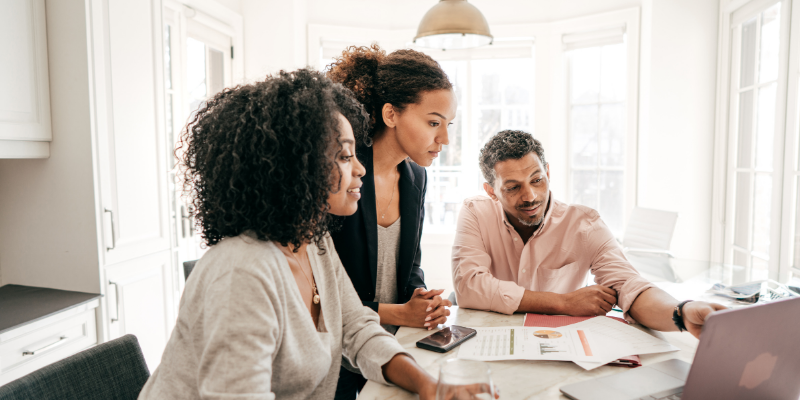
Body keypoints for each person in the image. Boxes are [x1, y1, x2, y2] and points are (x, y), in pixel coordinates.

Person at [137, 69, 441, 399]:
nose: (360, 168)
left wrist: (431, 386)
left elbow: (356, 327)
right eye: (343, 156)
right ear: (296, 167)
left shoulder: (314, 242)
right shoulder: (243, 271)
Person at [451, 130, 726, 338]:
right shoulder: (475, 212)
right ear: (491, 191)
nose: (530, 196)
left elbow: (629, 286)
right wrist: (562, 302)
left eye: (537, 180)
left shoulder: (584, 224)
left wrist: (682, 312)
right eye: (513, 187)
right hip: (490, 338)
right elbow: (469, 287)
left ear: (547, 172)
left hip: (557, 342)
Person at [326, 45, 456, 398]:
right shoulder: (339, 180)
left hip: (387, 347)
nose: (443, 139)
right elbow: (323, 295)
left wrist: (420, 297)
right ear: (390, 114)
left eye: (447, 125)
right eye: (433, 123)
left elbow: (409, 261)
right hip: (334, 355)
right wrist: (400, 313)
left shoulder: (416, 177)